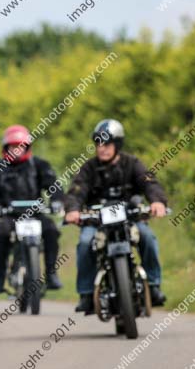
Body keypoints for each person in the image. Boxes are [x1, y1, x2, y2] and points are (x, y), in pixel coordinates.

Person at [65, 119, 168, 313]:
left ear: (118, 144)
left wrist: (157, 201)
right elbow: (76, 190)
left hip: (130, 218)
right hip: (96, 221)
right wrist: (72, 209)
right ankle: (87, 294)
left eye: (107, 144)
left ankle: (153, 286)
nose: (102, 149)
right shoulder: (88, 168)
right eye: (98, 144)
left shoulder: (132, 163)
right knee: (85, 243)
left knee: (148, 238)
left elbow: (150, 183)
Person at [0, 125, 64, 294]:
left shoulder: (40, 165)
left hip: (36, 214)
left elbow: (55, 186)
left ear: (27, 147)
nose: (17, 150)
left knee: (51, 230)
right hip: (8, 216)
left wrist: (56, 202)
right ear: (5, 148)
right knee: (0, 232)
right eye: (13, 146)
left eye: (21, 146)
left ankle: (52, 274)